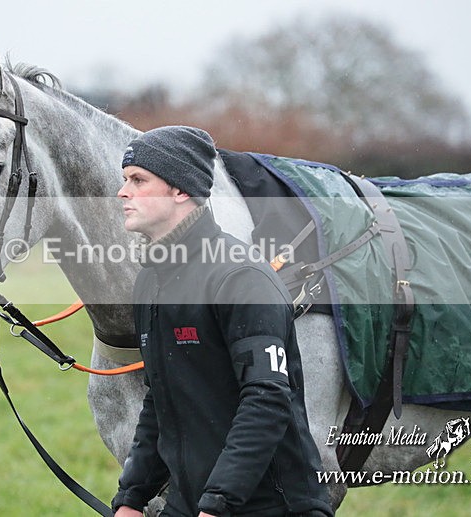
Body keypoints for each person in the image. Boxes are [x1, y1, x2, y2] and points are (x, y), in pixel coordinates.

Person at [112, 126, 333, 517]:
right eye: (125, 179)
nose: (122, 192)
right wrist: (132, 497)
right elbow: (159, 400)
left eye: (138, 180)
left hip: (269, 507)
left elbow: (267, 400)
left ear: (180, 190)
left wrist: (218, 502)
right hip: (190, 505)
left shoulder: (241, 278)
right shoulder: (150, 280)